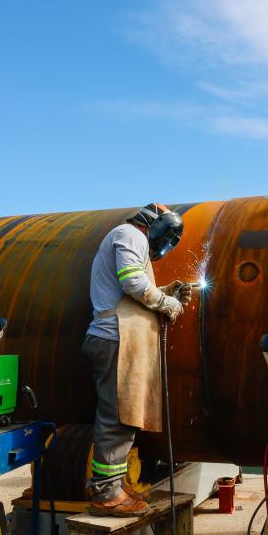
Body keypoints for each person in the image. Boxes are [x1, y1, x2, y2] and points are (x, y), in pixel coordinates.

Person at [82, 203, 192, 517]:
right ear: (153, 225)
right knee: (116, 418)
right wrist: (165, 302)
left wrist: (166, 291)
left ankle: (113, 485)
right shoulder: (130, 235)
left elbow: (132, 287)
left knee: (123, 417)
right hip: (114, 337)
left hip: (118, 337)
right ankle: (106, 494)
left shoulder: (131, 240)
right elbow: (132, 284)